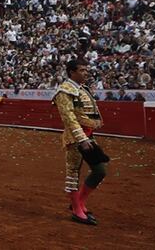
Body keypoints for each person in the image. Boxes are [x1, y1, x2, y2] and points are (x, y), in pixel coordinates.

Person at [52, 58, 108, 226]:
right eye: (82, 70)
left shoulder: (81, 89)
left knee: (100, 170)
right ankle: (77, 210)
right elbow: (68, 118)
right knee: (73, 174)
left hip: (88, 135)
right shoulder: (64, 91)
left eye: (86, 69)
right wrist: (82, 138)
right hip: (75, 138)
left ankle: (79, 202)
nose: (86, 73)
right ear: (72, 72)